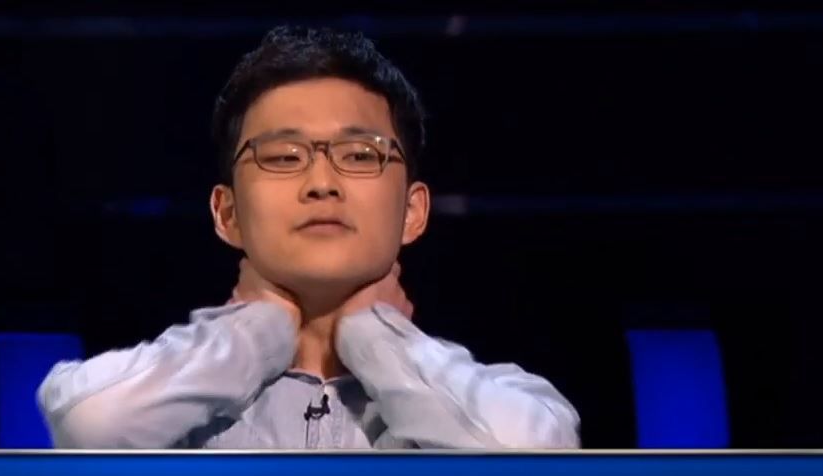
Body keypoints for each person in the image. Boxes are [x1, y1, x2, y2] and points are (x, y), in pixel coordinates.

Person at [36, 25, 579, 450]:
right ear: (227, 213)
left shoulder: (505, 399)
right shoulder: (167, 406)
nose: (322, 182)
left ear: (413, 212)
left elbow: (533, 460)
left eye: (360, 155)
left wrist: (377, 338)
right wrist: (258, 331)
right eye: (282, 157)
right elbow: (92, 423)